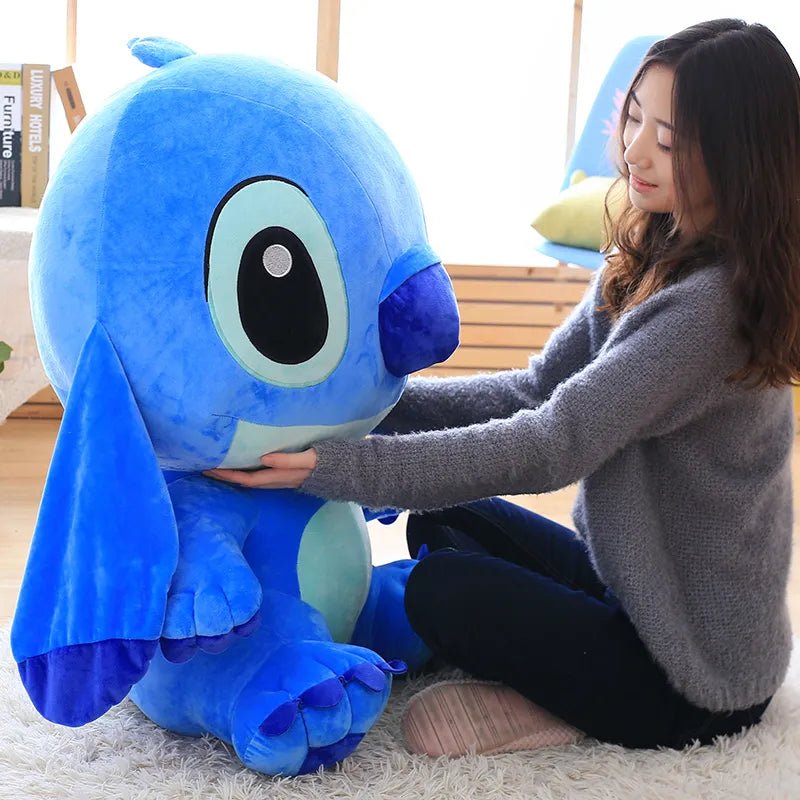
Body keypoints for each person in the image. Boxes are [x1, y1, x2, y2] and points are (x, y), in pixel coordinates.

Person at [204, 18, 800, 757]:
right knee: (444, 522)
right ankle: (562, 676)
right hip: (636, 591)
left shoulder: (710, 309)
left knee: (436, 592)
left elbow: (552, 444)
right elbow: (538, 388)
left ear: (740, 157)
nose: (636, 149)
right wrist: (372, 413)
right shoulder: (659, 247)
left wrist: (341, 469)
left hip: (690, 678)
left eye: (671, 139)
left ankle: (577, 706)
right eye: (636, 116)